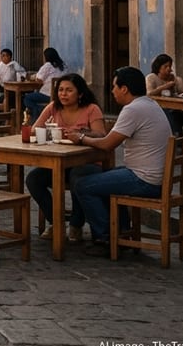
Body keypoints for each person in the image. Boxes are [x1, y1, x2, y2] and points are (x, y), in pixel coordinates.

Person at [69, 67, 172, 257]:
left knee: (83, 185)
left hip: (144, 179)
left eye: (115, 87)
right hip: (153, 176)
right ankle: (121, 231)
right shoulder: (150, 104)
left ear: (124, 89)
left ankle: (104, 237)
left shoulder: (133, 109)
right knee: (100, 178)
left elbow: (108, 144)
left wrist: (81, 138)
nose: (112, 91)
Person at [25, 73, 106, 243]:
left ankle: (76, 224)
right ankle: (56, 221)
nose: (63, 94)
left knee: (78, 176)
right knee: (33, 179)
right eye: (61, 90)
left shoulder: (91, 109)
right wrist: (50, 131)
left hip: (89, 162)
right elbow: (34, 129)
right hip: (60, 162)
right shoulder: (54, 107)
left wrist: (81, 133)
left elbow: (101, 134)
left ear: (80, 93)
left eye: (69, 90)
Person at [146, 53, 183, 136]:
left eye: (170, 66)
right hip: (157, 107)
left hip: (174, 106)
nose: (169, 69)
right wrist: (165, 86)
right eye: (165, 66)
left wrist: (178, 80)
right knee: (171, 113)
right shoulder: (151, 77)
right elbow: (149, 93)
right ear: (158, 67)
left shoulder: (172, 78)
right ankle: (175, 137)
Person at [24, 47, 67, 124]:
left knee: (27, 98)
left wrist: (32, 77)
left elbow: (39, 79)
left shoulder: (48, 65)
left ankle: (39, 111)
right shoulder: (63, 66)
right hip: (59, 95)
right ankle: (40, 111)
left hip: (47, 95)